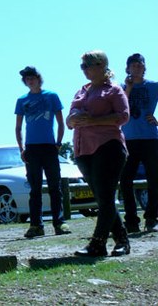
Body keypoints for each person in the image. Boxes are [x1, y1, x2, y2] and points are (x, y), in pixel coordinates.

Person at [67, 50, 130, 257]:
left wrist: (93, 120)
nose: (84, 70)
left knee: (105, 197)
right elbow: (69, 121)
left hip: (108, 146)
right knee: (104, 199)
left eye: (88, 65)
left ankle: (97, 243)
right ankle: (122, 240)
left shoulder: (113, 90)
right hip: (83, 149)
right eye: (82, 66)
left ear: (102, 65)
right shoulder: (81, 91)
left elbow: (123, 116)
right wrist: (73, 120)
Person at [14, 66, 71, 238]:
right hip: (32, 148)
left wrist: (58, 143)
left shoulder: (51, 96)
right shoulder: (22, 100)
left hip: (49, 146)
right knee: (35, 188)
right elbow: (18, 127)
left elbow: (61, 122)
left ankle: (59, 223)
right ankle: (36, 225)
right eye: (27, 79)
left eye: (33, 78)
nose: (30, 81)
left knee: (55, 186)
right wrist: (21, 148)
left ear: (39, 78)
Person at [119, 53, 158, 233]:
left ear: (144, 67)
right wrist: (129, 87)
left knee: (154, 179)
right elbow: (122, 107)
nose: (136, 67)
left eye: (139, 65)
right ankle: (131, 221)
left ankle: (151, 218)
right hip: (128, 140)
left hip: (150, 138)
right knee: (125, 180)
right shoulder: (120, 87)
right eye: (133, 65)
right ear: (127, 68)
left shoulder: (153, 86)